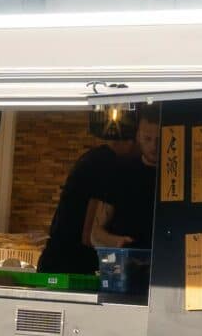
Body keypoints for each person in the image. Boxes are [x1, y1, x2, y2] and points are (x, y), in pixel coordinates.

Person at [37, 112, 162, 275]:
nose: (152, 147)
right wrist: (120, 243)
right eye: (146, 140)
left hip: (57, 258)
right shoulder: (107, 165)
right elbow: (89, 235)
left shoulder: (93, 158)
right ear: (134, 140)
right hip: (69, 264)